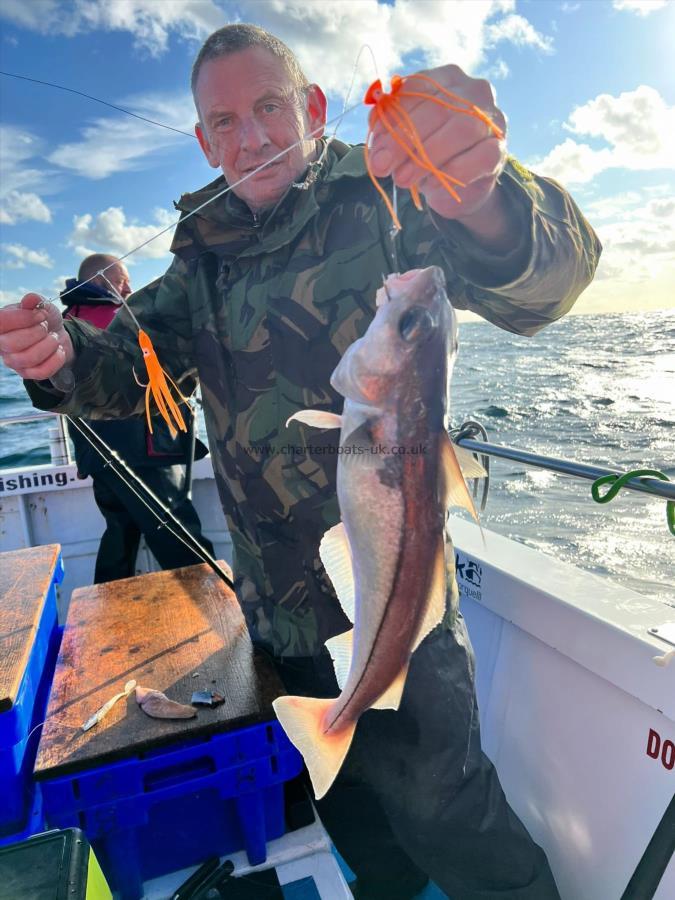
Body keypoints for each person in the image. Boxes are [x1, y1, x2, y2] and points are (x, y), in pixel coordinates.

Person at [0, 24, 602, 899]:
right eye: (225, 121)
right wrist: (58, 358)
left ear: (312, 109)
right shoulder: (199, 255)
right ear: (204, 139)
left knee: (449, 811)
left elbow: (543, 283)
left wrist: (481, 195)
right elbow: (130, 372)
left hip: (396, 593)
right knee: (354, 818)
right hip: (276, 611)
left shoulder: (390, 194)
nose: (250, 138)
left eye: (269, 107)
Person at [60, 253, 215, 583]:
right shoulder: (121, 320)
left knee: (120, 535)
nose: (130, 288)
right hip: (143, 452)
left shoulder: (70, 321)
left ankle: (104, 622)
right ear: (100, 283)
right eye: (122, 281)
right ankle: (222, 620)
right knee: (182, 544)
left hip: (98, 455)